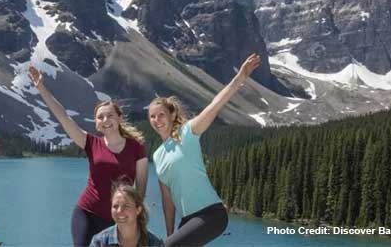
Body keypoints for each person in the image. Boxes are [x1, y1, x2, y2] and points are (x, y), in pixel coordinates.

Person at [28, 65, 149, 247]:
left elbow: (140, 190)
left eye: (109, 116)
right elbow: (64, 118)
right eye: (100, 117)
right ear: (97, 124)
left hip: (118, 218)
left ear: (119, 118)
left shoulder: (137, 148)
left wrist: (134, 219)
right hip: (86, 213)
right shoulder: (91, 143)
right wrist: (42, 90)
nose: (105, 120)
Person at [149, 53, 261, 247]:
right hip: (188, 222)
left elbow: (215, 105)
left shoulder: (188, 132)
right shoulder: (158, 155)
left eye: (161, 115)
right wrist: (169, 236)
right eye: (152, 117)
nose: (157, 120)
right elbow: (168, 200)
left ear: (172, 114)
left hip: (212, 215)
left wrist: (240, 77)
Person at [89, 181, 164, 247]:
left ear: (138, 210)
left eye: (126, 206)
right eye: (115, 206)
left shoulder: (154, 243)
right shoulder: (100, 242)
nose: (119, 211)